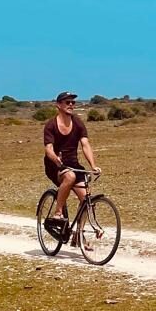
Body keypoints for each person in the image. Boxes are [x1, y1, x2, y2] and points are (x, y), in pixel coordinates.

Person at [43, 92, 100, 245]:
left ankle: (79, 234)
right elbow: (48, 149)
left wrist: (93, 166)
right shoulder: (51, 125)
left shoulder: (78, 123)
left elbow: (85, 145)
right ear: (58, 105)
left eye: (73, 102)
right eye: (67, 102)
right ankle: (58, 212)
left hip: (74, 165)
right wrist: (57, 160)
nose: (71, 105)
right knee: (70, 177)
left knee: (88, 201)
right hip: (55, 166)